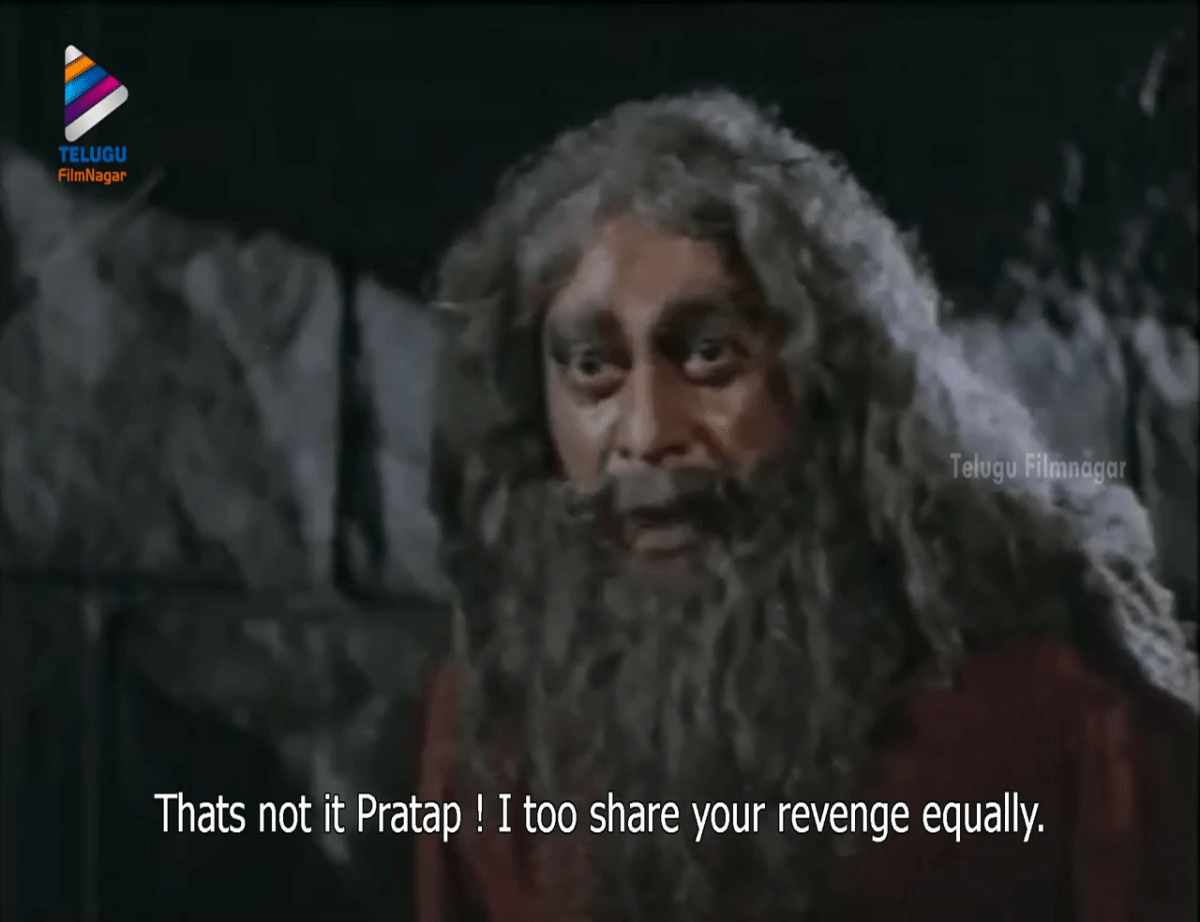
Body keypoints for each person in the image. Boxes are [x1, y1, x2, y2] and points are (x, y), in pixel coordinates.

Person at [414, 90, 1198, 922]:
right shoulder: (487, 723)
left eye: (710, 355)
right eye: (590, 369)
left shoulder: (1055, 714)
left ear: (831, 381)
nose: (644, 432)